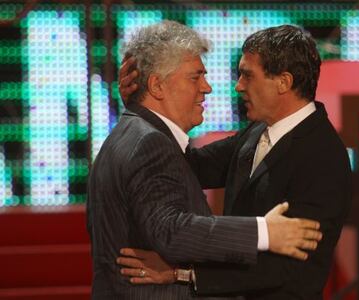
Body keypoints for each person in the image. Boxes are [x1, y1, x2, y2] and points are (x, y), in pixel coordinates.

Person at [87, 21, 322, 300]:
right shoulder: (149, 143)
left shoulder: (134, 132)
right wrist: (265, 231)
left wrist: (141, 105)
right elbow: (171, 229)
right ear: (157, 85)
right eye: (195, 77)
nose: (207, 87)